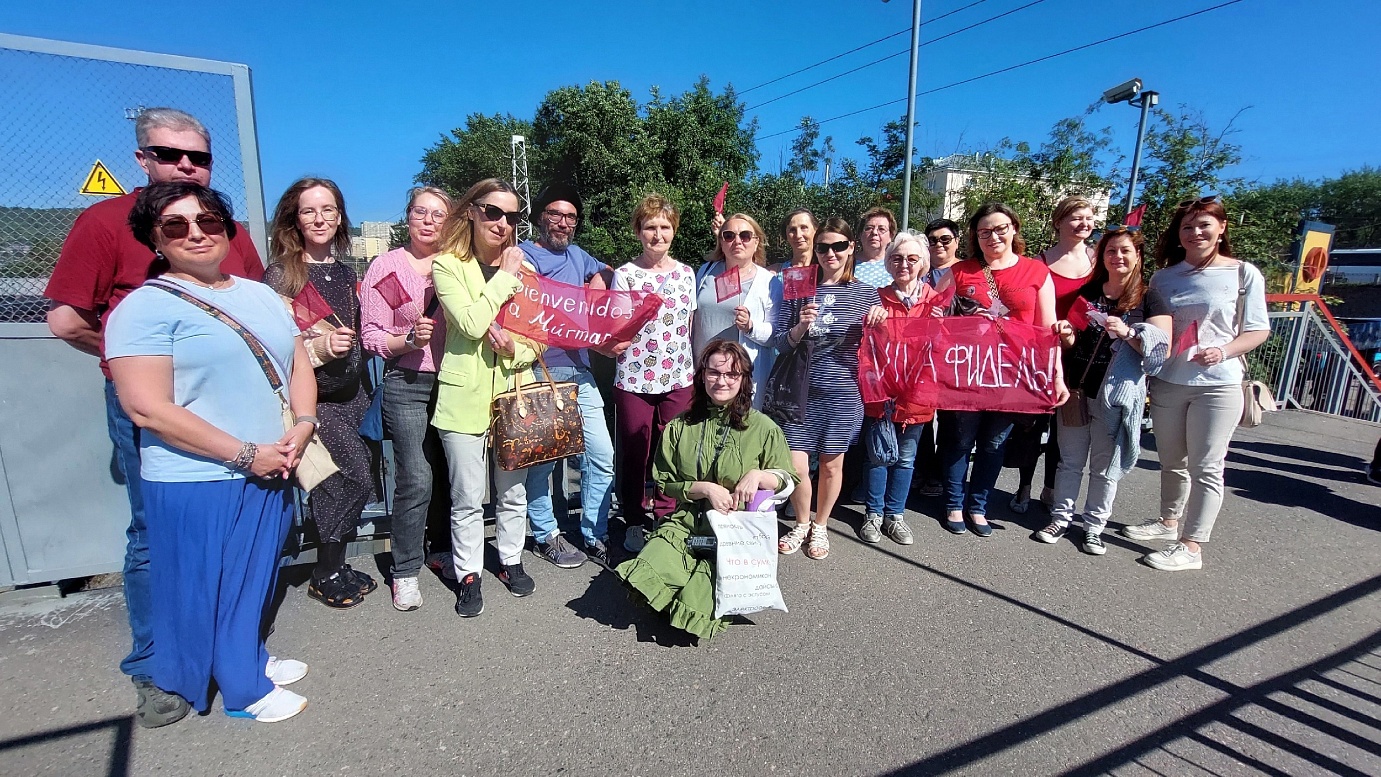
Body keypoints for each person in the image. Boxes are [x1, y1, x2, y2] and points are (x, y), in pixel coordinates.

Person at [44, 107, 264, 728]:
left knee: (233, 523)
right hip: (151, 409)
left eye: (199, 158)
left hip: (232, 406)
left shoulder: (227, 228)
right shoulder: (104, 221)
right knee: (153, 533)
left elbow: (247, 307)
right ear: (143, 160)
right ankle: (155, 665)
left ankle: (228, 649)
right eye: (172, 156)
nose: (187, 168)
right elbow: (66, 318)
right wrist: (139, 362)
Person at [106, 181, 314, 723]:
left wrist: (306, 423)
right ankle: (242, 690)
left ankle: (245, 657)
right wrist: (246, 454)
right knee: (205, 583)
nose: (196, 233)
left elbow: (296, 364)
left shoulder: (260, 294)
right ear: (154, 239)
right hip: (197, 474)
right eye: (176, 225)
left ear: (227, 228)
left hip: (273, 461)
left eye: (209, 221)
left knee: (254, 576)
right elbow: (148, 408)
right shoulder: (141, 310)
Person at [1122, 196, 1269, 571]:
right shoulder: (1164, 276)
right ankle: (1167, 523)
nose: (1195, 232)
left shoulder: (1242, 273)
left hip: (1217, 384)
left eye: (1204, 225)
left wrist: (1225, 350)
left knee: (1207, 466)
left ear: (1221, 229)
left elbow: (1258, 329)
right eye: (1187, 227)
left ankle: (1192, 546)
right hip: (1170, 379)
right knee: (1172, 460)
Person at [614, 340, 796, 640]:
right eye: (714, 373)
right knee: (648, 574)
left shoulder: (763, 427)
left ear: (744, 380)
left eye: (731, 374)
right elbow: (664, 481)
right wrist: (701, 488)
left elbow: (789, 480)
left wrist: (760, 475)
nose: (721, 381)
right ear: (702, 376)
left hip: (733, 535)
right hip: (685, 526)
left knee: (691, 609)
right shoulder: (680, 425)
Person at [431, 178, 544, 615]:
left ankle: (511, 560)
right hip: (463, 401)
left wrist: (517, 348)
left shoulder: (527, 272)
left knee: (512, 491)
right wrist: (506, 277)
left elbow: (540, 338)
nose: (502, 223)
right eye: (493, 212)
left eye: (512, 216)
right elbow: (472, 322)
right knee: (467, 497)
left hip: (514, 394)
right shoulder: (447, 266)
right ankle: (469, 574)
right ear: (473, 212)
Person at [264, 178, 375, 609]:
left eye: (328, 209)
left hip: (353, 397)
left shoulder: (347, 274)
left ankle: (337, 564)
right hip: (313, 402)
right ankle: (324, 570)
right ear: (295, 219)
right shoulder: (282, 275)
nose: (320, 219)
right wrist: (318, 349)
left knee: (351, 481)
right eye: (309, 211)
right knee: (345, 478)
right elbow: (271, 346)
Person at [935, 203, 1068, 537]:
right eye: (984, 231)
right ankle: (954, 502)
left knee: (995, 442)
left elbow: (1047, 330)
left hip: (1012, 374)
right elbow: (932, 315)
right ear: (975, 236)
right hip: (967, 372)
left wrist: (1055, 375)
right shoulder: (961, 270)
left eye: (1000, 229)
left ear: (1013, 229)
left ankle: (977, 506)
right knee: (960, 439)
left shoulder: (1036, 272)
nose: (993, 236)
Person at [1037, 227, 1164, 554]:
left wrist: (1128, 334)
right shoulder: (1089, 292)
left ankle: (1094, 526)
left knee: (1105, 467)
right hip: (1077, 388)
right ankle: (1060, 518)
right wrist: (1065, 333)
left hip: (1116, 395)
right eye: (1111, 251)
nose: (1117, 257)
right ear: (1101, 256)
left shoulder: (1149, 298)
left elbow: (1161, 349)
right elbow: (1073, 338)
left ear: (1138, 256)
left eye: (1125, 251)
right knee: (1069, 461)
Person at [360, 186, 453, 611]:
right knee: (415, 476)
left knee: (451, 473)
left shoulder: (457, 264)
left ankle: (442, 551)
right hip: (408, 383)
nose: (429, 221)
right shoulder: (387, 265)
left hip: (455, 383)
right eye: (421, 212)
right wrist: (405, 340)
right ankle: (405, 569)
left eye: (438, 214)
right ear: (408, 217)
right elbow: (372, 334)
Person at [518, 182, 618, 569]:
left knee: (602, 456)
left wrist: (597, 283)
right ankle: (546, 534)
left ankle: (594, 532)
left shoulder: (579, 256)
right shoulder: (523, 255)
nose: (563, 223)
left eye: (571, 217)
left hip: (581, 370)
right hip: (540, 369)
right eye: (555, 214)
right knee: (543, 461)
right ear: (540, 216)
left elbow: (608, 272)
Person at [773, 217, 881, 560]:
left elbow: (880, 349)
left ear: (851, 247)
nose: (829, 253)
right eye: (822, 247)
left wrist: (882, 322)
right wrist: (800, 327)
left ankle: (821, 525)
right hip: (800, 390)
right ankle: (801, 523)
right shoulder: (797, 285)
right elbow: (780, 343)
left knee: (832, 465)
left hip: (843, 393)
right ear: (815, 250)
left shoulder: (866, 294)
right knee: (797, 465)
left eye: (838, 246)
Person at [611, 193, 698, 553]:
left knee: (672, 448)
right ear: (638, 231)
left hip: (678, 376)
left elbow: (689, 326)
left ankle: (666, 516)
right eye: (650, 227)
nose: (657, 234)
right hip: (634, 377)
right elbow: (615, 325)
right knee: (634, 450)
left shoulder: (686, 274)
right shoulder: (625, 275)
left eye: (665, 227)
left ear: (674, 231)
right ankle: (633, 518)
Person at [1008, 196, 1099, 514]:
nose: (1084, 223)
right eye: (1076, 217)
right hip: (1044, 354)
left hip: (1084, 356)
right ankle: (1024, 486)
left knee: (1067, 429)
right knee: (1032, 426)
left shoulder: (1098, 260)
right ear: (1059, 222)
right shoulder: (1040, 261)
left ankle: (1051, 489)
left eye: (1089, 217)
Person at [858, 230, 941, 545]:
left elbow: (950, 347)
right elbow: (863, 345)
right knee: (878, 455)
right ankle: (873, 514)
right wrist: (870, 319)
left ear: (922, 263)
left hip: (918, 396)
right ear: (888, 264)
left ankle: (896, 515)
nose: (903, 264)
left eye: (911, 258)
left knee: (906, 458)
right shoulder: (875, 297)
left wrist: (943, 325)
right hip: (883, 394)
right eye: (896, 258)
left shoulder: (936, 302)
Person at [694, 212, 780, 406]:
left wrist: (751, 326)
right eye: (729, 235)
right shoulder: (705, 272)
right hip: (706, 375)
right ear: (721, 241)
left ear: (756, 242)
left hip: (742, 378)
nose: (737, 241)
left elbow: (776, 336)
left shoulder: (769, 282)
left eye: (745, 236)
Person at [852, 206, 898, 288]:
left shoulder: (896, 265)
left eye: (881, 229)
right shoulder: (847, 263)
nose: (874, 232)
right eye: (869, 228)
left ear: (891, 236)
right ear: (860, 234)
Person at [923, 218, 963, 286]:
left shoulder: (967, 271)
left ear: (957, 242)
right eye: (932, 240)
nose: (938, 244)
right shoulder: (916, 269)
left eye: (945, 239)